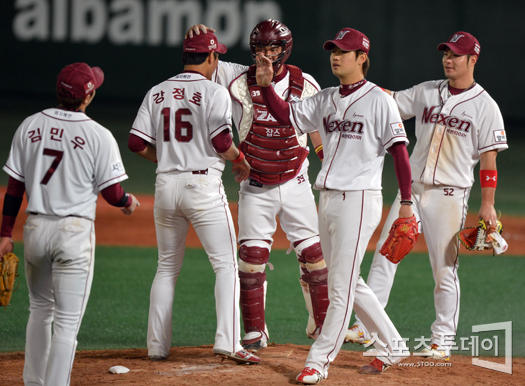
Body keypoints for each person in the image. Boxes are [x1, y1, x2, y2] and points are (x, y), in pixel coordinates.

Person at [255, 27, 413, 383]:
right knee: (347, 280)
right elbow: (286, 116)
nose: (335, 56)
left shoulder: (379, 100)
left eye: (344, 51)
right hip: (326, 199)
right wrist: (266, 86)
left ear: (362, 58)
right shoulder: (325, 98)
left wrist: (406, 203)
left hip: (358, 201)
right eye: (333, 50)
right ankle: (394, 344)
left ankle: (319, 360)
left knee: (337, 287)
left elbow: (400, 153)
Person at [347, 31, 508, 360]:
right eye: (445, 54)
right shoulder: (427, 91)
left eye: (456, 55)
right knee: (386, 254)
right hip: (413, 192)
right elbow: (391, 99)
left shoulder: (485, 106)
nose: (448, 59)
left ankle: (442, 341)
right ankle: (368, 327)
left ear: (472, 60)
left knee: (444, 268)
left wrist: (488, 204)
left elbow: (489, 161)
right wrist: (359, 84)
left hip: (450, 196)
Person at [186, 20, 329, 352]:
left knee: (314, 255)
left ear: (285, 49)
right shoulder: (235, 77)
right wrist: (200, 37)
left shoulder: (305, 83)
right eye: (260, 49)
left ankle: (321, 324)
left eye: (273, 48)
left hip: (296, 180)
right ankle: (254, 331)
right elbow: (203, 62)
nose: (266, 54)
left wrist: (327, 160)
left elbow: (317, 130)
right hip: (254, 183)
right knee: (251, 257)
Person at [0, 62, 140, 386]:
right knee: (66, 324)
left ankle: (33, 382)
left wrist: (6, 234)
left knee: (39, 311)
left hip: (35, 230)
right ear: (87, 97)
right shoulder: (97, 134)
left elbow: (14, 187)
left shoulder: (30, 125)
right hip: (73, 234)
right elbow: (112, 192)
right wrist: (128, 203)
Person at [128, 31, 260, 364]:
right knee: (226, 265)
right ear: (212, 58)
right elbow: (220, 142)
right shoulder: (214, 91)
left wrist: (168, 159)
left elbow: (135, 142)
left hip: (165, 188)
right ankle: (228, 342)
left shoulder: (156, 92)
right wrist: (240, 160)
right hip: (202, 187)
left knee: (166, 268)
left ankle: (157, 347)